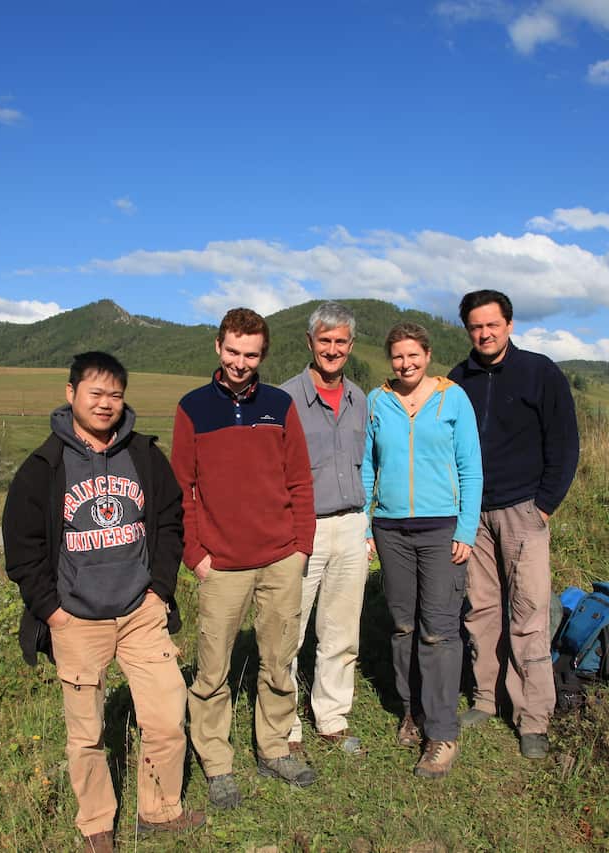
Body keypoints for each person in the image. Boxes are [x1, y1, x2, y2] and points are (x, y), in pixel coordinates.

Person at [2, 352, 204, 852]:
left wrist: (160, 590)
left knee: (164, 714)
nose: (105, 403)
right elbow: (22, 550)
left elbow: (169, 522)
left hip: (140, 614)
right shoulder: (43, 468)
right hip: (76, 621)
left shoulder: (144, 457)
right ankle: (96, 824)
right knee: (87, 732)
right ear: (71, 394)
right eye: (95, 393)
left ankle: (160, 810)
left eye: (115, 394)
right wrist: (52, 612)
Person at [171, 307, 318, 809]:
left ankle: (274, 749)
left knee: (278, 660)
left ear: (263, 355)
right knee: (213, 670)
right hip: (222, 563)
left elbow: (299, 479)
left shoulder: (280, 405)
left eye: (250, 354)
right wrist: (195, 554)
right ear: (217, 347)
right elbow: (181, 490)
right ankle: (216, 761)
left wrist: (302, 546)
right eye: (233, 351)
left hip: (280, 557)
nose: (240, 362)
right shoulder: (192, 408)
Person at [448, 289, 579, 760]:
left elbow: (564, 444)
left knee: (528, 614)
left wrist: (543, 505)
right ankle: (486, 699)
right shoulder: (456, 380)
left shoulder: (539, 372)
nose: (484, 334)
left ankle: (533, 717)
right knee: (480, 610)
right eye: (475, 327)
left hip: (523, 509)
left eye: (492, 325)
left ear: (509, 325)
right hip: (472, 514)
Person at [362, 322, 482, 779]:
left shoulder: (453, 399)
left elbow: (471, 468)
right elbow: (367, 465)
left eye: (413, 355)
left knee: (439, 630)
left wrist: (466, 529)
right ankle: (412, 711)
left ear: (427, 355)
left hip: (441, 528)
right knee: (403, 625)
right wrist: (368, 523)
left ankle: (443, 731)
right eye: (397, 357)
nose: (405, 364)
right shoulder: (378, 401)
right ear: (389, 359)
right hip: (391, 528)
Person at [279, 302, 369, 755]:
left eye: (341, 342)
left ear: (350, 346)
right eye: (324, 340)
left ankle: (331, 715)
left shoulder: (360, 399)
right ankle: (284, 723)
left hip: (352, 525)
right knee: (288, 631)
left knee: (340, 630)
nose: (332, 349)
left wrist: (367, 525)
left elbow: (367, 464)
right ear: (310, 342)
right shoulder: (284, 399)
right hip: (303, 528)